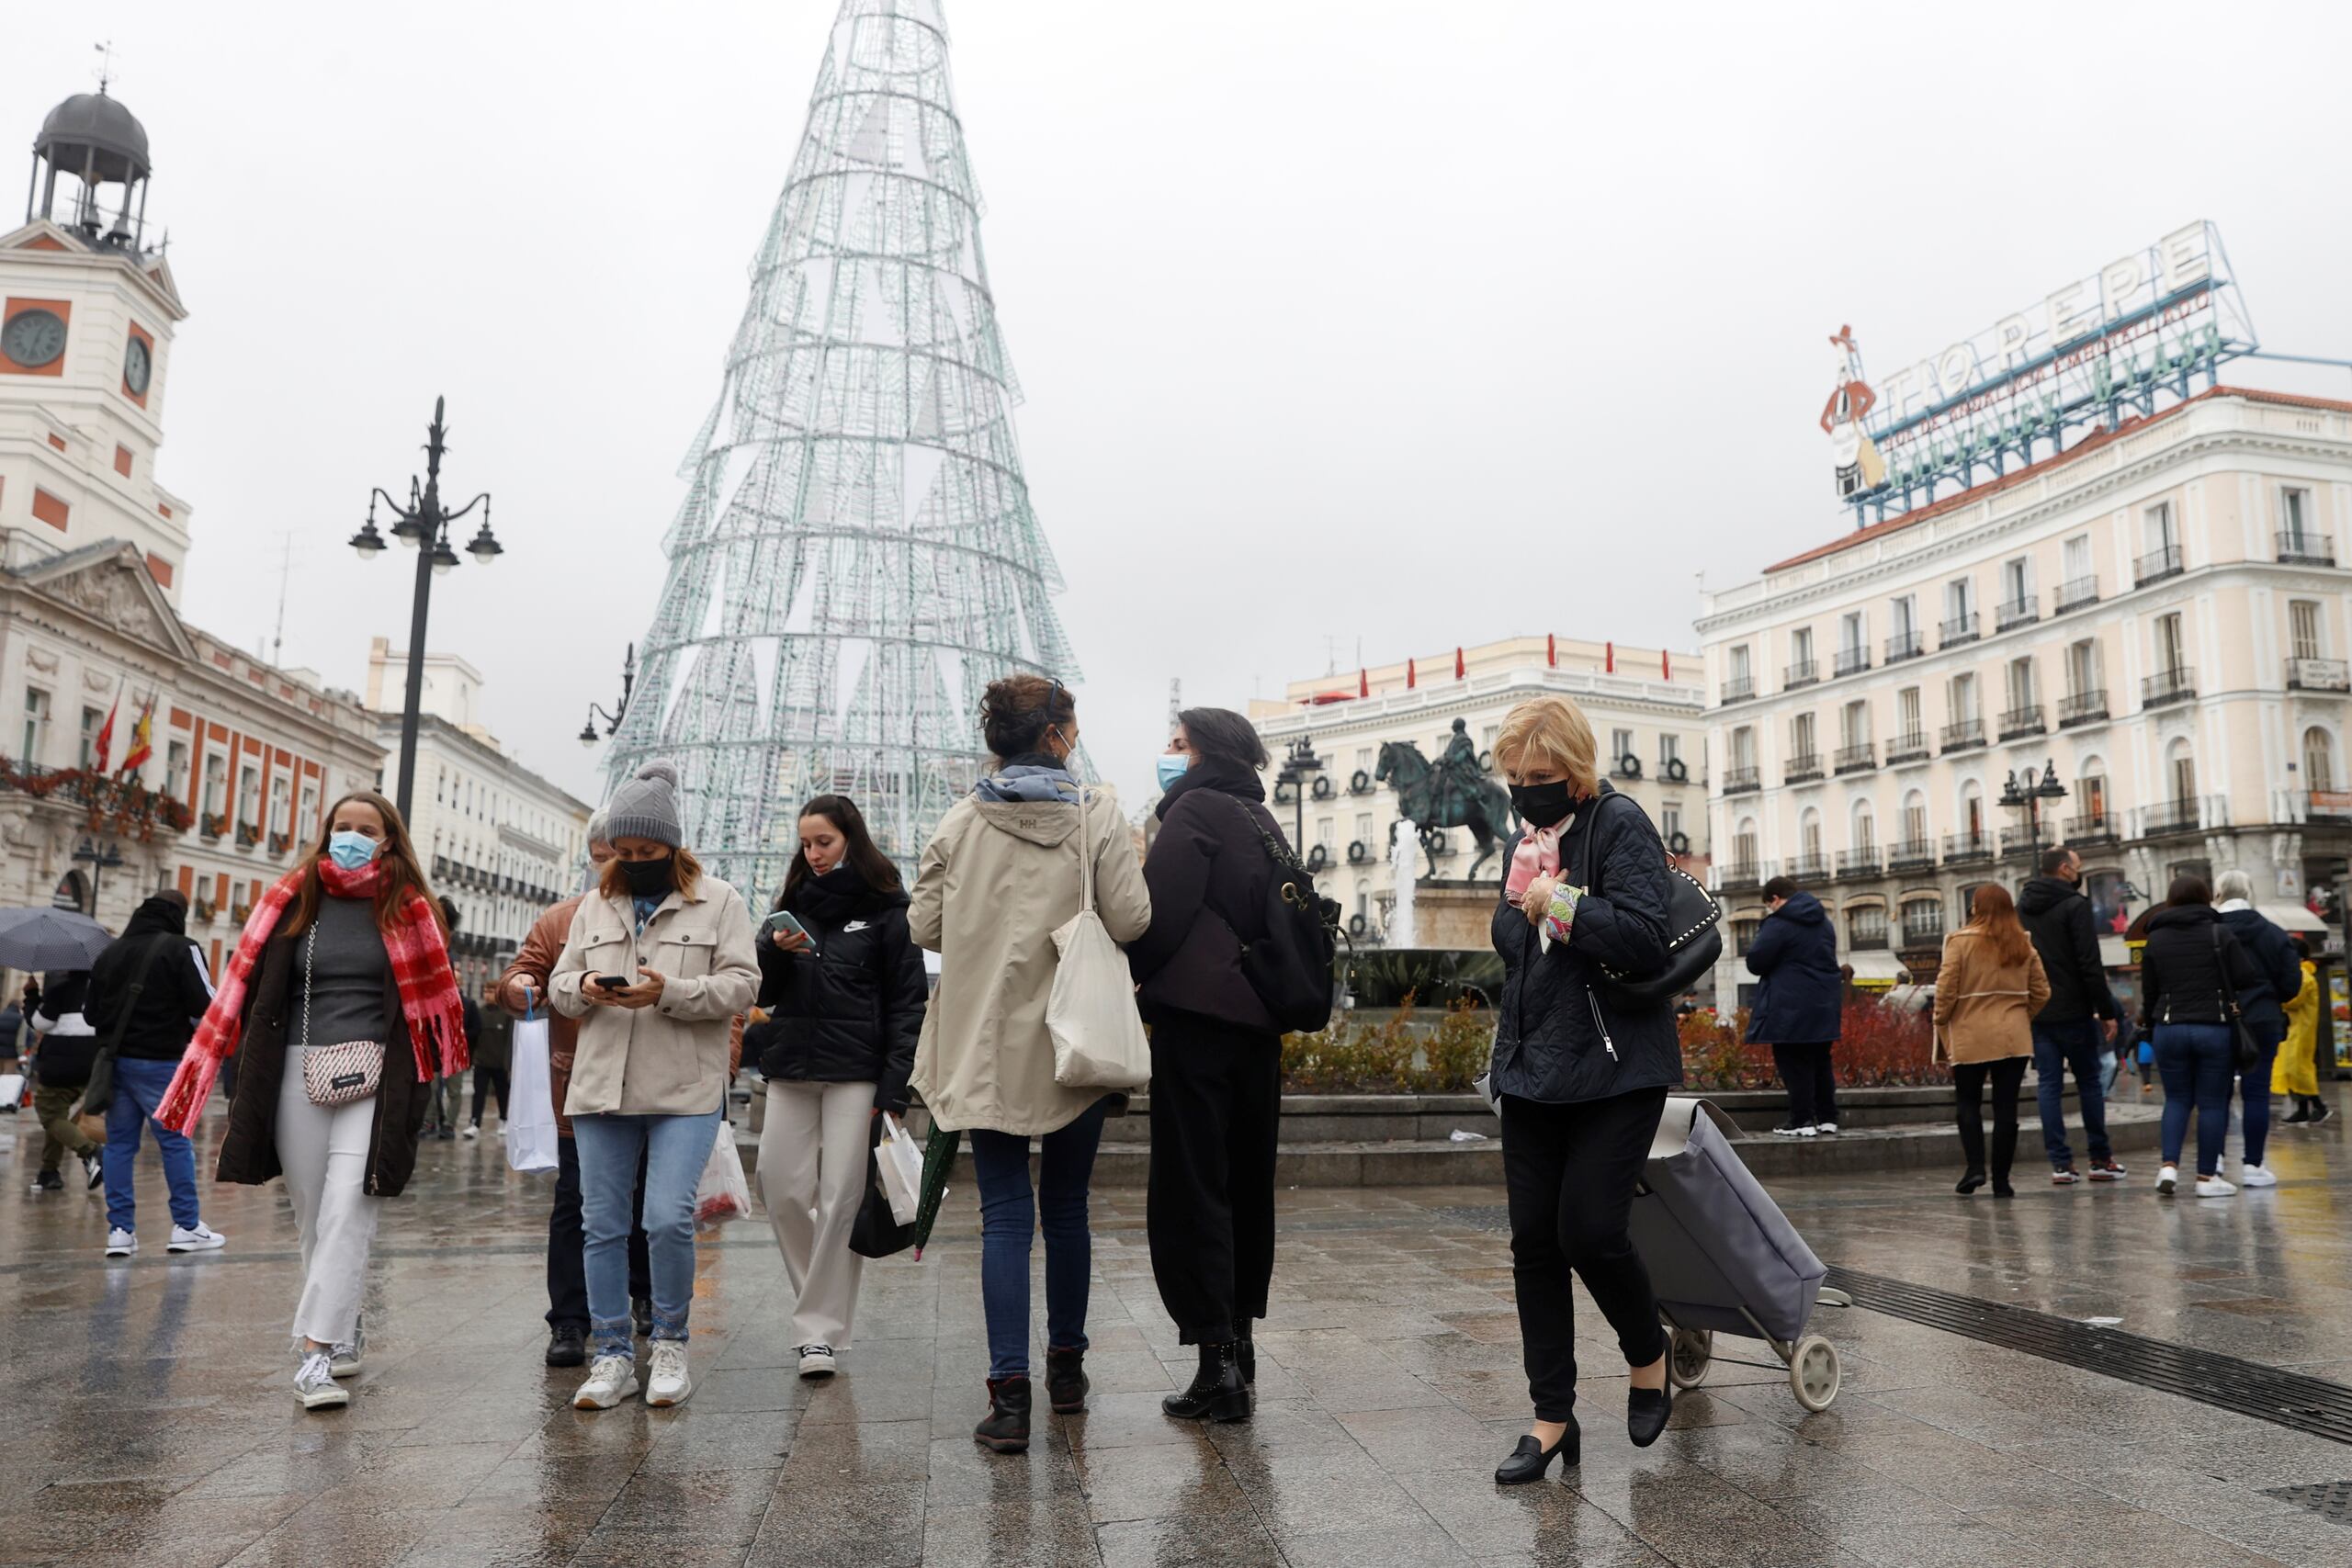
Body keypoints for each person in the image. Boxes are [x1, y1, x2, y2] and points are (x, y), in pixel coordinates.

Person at [157, 792, 468, 1409]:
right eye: (342, 827)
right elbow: (245, 988)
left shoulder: (408, 908)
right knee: (311, 1216)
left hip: (374, 1072)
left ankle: (315, 1354)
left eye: (366, 829)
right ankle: (343, 1320)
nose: (352, 837)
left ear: (388, 840)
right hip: (293, 1069)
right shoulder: (291, 900)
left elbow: (434, 1004)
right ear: (327, 832)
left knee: (349, 1206)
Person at [910, 675, 1150, 1456]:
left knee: (1005, 1216)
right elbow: (1133, 917)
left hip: (984, 1043)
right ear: (1055, 734)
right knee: (1069, 1207)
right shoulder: (1097, 814)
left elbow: (925, 922)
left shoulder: (960, 820)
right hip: (1072, 1042)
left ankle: (1008, 1397)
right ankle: (1069, 1370)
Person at [1486, 694, 1682, 1485]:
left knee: (1590, 1231)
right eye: (1515, 775)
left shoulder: (1619, 822)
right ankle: (1551, 1416)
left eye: (1540, 774)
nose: (1525, 788)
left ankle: (1647, 1352)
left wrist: (1559, 903)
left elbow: (1643, 936)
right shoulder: (1529, 835)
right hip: (1532, 1066)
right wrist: (1520, 903)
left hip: (1613, 1068)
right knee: (1534, 1243)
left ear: (1574, 770)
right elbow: (1507, 942)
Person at [551, 760, 759, 1411]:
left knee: (667, 1217)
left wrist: (670, 990)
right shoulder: (593, 905)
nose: (633, 860)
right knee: (601, 1224)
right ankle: (612, 1353)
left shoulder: (719, 900)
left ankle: (669, 1340)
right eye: (624, 850)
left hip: (685, 1086)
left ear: (674, 846)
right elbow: (559, 985)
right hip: (601, 1087)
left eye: (647, 850)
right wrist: (582, 988)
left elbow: (745, 985)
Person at [1128, 706, 1289, 1424]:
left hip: (1196, 1027)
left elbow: (1153, 920)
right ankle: (1242, 1348)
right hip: (1259, 1027)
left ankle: (1214, 1365)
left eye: (1177, 743)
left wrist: (1128, 974)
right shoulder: (1261, 818)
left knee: (1194, 1187)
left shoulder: (1193, 811)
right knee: (1247, 1184)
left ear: (1204, 752)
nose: (1168, 753)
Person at [755, 794, 927, 1380]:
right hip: (792, 1066)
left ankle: (817, 1334)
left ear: (851, 838)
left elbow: (909, 1002)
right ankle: (819, 1311)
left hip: (857, 1071)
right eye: (805, 843)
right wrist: (772, 953)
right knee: (779, 1186)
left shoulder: (888, 910)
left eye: (823, 841)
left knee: (841, 1199)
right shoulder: (792, 907)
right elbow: (763, 994)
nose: (813, 854)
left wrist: (895, 1089)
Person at [499, 815, 656, 1368]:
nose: (616, 865)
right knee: (577, 1203)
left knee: (647, 1201)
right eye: (604, 855)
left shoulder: (673, 913)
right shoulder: (563, 919)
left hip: (656, 1084)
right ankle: (569, 1319)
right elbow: (522, 974)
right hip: (579, 1085)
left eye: (630, 852)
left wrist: (725, 1066)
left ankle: (646, 1295)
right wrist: (520, 988)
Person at [87, 896, 223, 1252]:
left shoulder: (109, 954)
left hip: (116, 1064)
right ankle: (186, 1225)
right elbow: (207, 1003)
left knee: (118, 1146)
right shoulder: (182, 948)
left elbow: (90, 1013)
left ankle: (120, 1231)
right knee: (176, 1144)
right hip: (164, 1062)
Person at [2138, 874, 2267, 1198]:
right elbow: (2247, 976)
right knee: (2211, 1103)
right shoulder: (2218, 932)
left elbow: (2149, 991)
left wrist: (2152, 1027)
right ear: (2205, 897)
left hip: (2170, 1026)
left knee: (2177, 1099)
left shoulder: (2155, 939)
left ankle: (2168, 1166)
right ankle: (2207, 1178)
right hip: (2214, 1026)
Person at [1931, 884, 2051, 1198]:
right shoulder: (2022, 943)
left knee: (1968, 1102)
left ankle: (1974, 1169)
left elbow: (1946, 987)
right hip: (2014, 1035)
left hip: (1971, 1033)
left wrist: (1941, 1018)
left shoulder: (1959, 942)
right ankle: (2002, 1180)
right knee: (2006, 1107)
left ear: (1976, 907)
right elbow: (2042, 991)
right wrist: (2021, 1015)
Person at [2017, 847, 2126, 1184]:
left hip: (2038, 1012)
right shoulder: (2074, 906)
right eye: (2077, 867)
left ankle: (2061, 1165)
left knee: (2049, 1086)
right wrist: (2106, 1011)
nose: (2080, 872)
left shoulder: (2021, 908)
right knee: (2089, 1084)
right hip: (2075, 1010)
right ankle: (2099, 1158)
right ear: (2064, 870)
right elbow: (2089, 963)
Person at [2214, 870, 2302, 1188]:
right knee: (2256, 1094)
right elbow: (2292, 984)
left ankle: (2214, 1162)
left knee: (2217, 1094)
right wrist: (2268, 999)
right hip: (2263, 1020)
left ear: (2219, 893)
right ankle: (2253, 1165)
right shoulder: (2274, 933)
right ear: (2249, 893)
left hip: (2219, 1019)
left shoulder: (2210, 931)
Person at [1744, 876, 1843, 1137]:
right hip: (1823, 1002)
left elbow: (1756, 961)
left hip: (1790, 1004)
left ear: (1775, 899)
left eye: (1768, 905)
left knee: (1793, 1062)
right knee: (1821, 1061)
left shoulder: (1779, 924)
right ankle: (1827, 1118)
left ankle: (1801, 1121)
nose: (1769, 909)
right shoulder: (1824, 922)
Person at [23, 970, 102, 1194]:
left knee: (48, 1113)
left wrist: (32, 996)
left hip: (60, 1062)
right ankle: (49, 1172)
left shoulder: (62, 989)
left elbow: (40, 1023)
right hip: (89, 1063)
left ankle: (90, 1151)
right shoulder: (100, 990)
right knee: (58, 1116)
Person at [2278, 937, 2329, 1124]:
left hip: (2302, 1030)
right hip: (2296, 1028)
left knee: (2300, 1069)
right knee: (2293, 1070)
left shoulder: (2303, 976)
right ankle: (2303, 1109)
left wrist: (2277, 999)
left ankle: (2319, 1106)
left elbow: (2293, 1000)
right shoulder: (2301, 973)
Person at [467, 978, 511, 1137]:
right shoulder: (479, 1012)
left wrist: (508, 1064)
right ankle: (474, 1123)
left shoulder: (506, 1014)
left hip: (500, 1064)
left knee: (502, 1094)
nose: (488, 995)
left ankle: (504, 1120)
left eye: (491, 991)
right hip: (482, 1062)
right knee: (478, 1094)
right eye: (486, 991)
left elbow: (509, 1040)